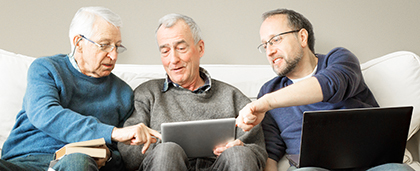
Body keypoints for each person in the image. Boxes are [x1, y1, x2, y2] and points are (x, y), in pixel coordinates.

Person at [236, 8, 414, 171]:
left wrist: (267, 102)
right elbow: (271, 152)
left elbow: (330, 84)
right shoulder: (268, 90)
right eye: (265, 45)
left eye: (275, 40)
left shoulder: (340, 59)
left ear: (302, 37)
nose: (269, 51)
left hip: (372, 166)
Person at [0, 6, 160, 171]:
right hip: (23, 161)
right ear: (79, 42)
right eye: (105, 45)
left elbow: (123, 156)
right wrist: (112, 132)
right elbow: (44, 113)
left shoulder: (123, 93)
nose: (114, 56)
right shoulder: (46, 68)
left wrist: (109, 156)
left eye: (117, 47)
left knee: (78, 161)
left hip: (74, 164)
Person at [118, 13, 267, 171]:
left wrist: (241, 146)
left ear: (200, 48)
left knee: (239, 154)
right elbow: (128, 154)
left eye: (181, 48)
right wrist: (159, 148)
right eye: (165, 51)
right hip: (166, 164)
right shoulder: (147, 94)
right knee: (168, 151)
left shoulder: (231, 96)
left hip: (219, 166)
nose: (173, 59)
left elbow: (258, 150)